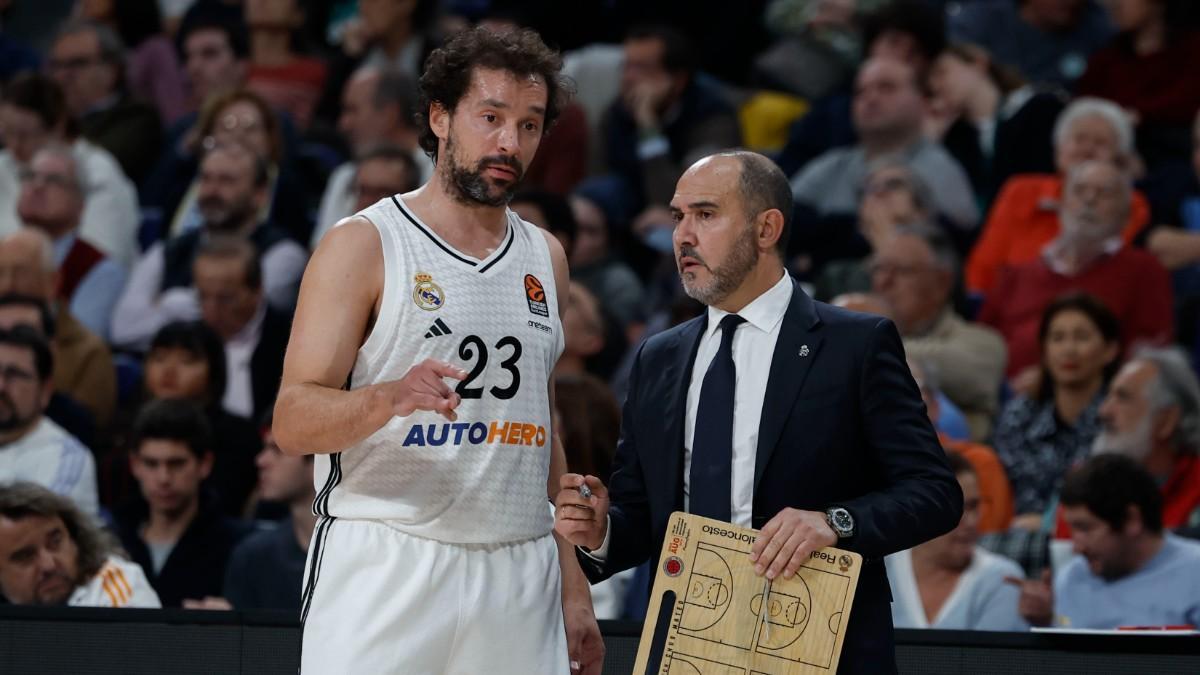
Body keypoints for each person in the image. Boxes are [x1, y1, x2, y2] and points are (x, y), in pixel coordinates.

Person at [271, 27, 603, 674]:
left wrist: (572, 579)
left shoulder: (547, 257)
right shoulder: (363, 244)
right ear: (440, 117)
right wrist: (387, 397)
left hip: (518, 564)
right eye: (491, 117)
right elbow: (291, 419)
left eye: (530, 125)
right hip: (387, 557)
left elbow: (542, 425)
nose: (510, 142)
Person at [554, 150, 963, 673]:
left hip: (819, 636)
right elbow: (643, 513)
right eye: (678, 217)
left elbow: (934, 493)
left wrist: (835, 522)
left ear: (767, 228)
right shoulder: (659, 357)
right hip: (689, 637)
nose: (683, 235)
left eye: (705, 215)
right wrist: (601, 531)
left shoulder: (855, 345)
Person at [111, 140, 308, 352]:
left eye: (227, 181)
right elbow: (123, 329)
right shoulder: (167, 250)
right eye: (205, 179)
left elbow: (241, 321)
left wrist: (168, 304)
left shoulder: (283, 254)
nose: (212, 191)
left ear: (260, 195)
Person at [789, 57, 978, 274]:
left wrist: (823, 244)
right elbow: (781, 222)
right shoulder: (831, 164)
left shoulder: (942, 168)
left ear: (921, 100)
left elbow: (954, 244)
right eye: (860, 92)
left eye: (886, 87)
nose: (870, 97)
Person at [965, 98, 1152, 296]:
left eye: (1100, 143)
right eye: (1079, 139)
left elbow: (1107, 267)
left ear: (1120, 158)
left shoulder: (1129, 202)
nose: (1087, 149)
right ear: (1058, 149)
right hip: (1010, 307)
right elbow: (983, 266)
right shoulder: (1021, 191)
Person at [1008, 454, 1200, 628]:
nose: (1076, 548)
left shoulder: (1194, 572)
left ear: (1131, 520)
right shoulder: (1072, 578)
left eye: (1085, 528)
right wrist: (1045, 623)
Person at [993, 293, 1119, 532]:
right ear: (1044, 349)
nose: (1068, 349)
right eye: (1057, 338)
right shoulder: (1018, 416)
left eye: (1082, 337)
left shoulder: (1118, 416)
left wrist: (1049, 524)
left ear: (1110, 350)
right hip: (1016, 538)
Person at [870, 225, 1007, 440]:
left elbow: (968, 373)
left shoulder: (983, 343)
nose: (883, 282)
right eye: (879, 269)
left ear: (942, 283)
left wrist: (867, 342)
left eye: (902, 271)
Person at [115, 398, 247, 608]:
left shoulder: (240, 548)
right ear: (135, 465)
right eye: (151, 464)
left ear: (205, 464)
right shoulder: (112, 543)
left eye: (176, 464)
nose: (163, 478)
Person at [0, 73, 139, 266]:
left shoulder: (97, 171)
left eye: (24, 135)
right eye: (6, 133)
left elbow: (102, 259)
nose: (14, 146)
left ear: (58, 126)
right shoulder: (4, 164)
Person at [886, 453, 1028, 631]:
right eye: (956, 506)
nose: (971, 521)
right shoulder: (879, 569)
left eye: (974, 506)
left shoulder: (1002, 578)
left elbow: (990, 659)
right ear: (919, 507)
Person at [925, 43, 1065, 205]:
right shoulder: (953, 139)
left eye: (941, 72)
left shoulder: (1040, 108)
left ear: (978, 63)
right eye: (927, 82)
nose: (935, 85)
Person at [15, 144, 127, 340]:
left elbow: (75, 346)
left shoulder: (100, 270)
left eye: (54, 180)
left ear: (81, 205)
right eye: (29, 176)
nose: (37, 185)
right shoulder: (6, 252)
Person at [0, 481, 160, 608]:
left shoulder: (113, 583)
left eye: (55, 542)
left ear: (74, 537)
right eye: (26, 556)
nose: (49, 565)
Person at [1094, 346, 1200, 528]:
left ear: (1167, 420)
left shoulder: (1196, 491)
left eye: (1123, 397)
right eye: (1108, 396)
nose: (1103, 411)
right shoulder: (1082, 480)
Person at [47, 20, 163, 183]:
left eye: (77, 63)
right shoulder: (44, 117)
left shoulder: (136, 118)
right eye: (56, 65)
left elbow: (91, 170)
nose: (62, 75)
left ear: (112, 70)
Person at [0, 326, 98, 517]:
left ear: (45, 390)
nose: (1, 386)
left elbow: (27, 533)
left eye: (15, 375)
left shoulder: (68, 457)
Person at [192, 236, 290, 423]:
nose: (211, 310)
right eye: (202, 296)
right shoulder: (189, 340)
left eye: (225, 298)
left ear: (257, 289)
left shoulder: (291, 339)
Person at [221, 418, 315, 610]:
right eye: (265, 448)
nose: (261, 460)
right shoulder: (253, 557)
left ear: (318, 458)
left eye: (277, 449)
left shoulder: (364, 552)